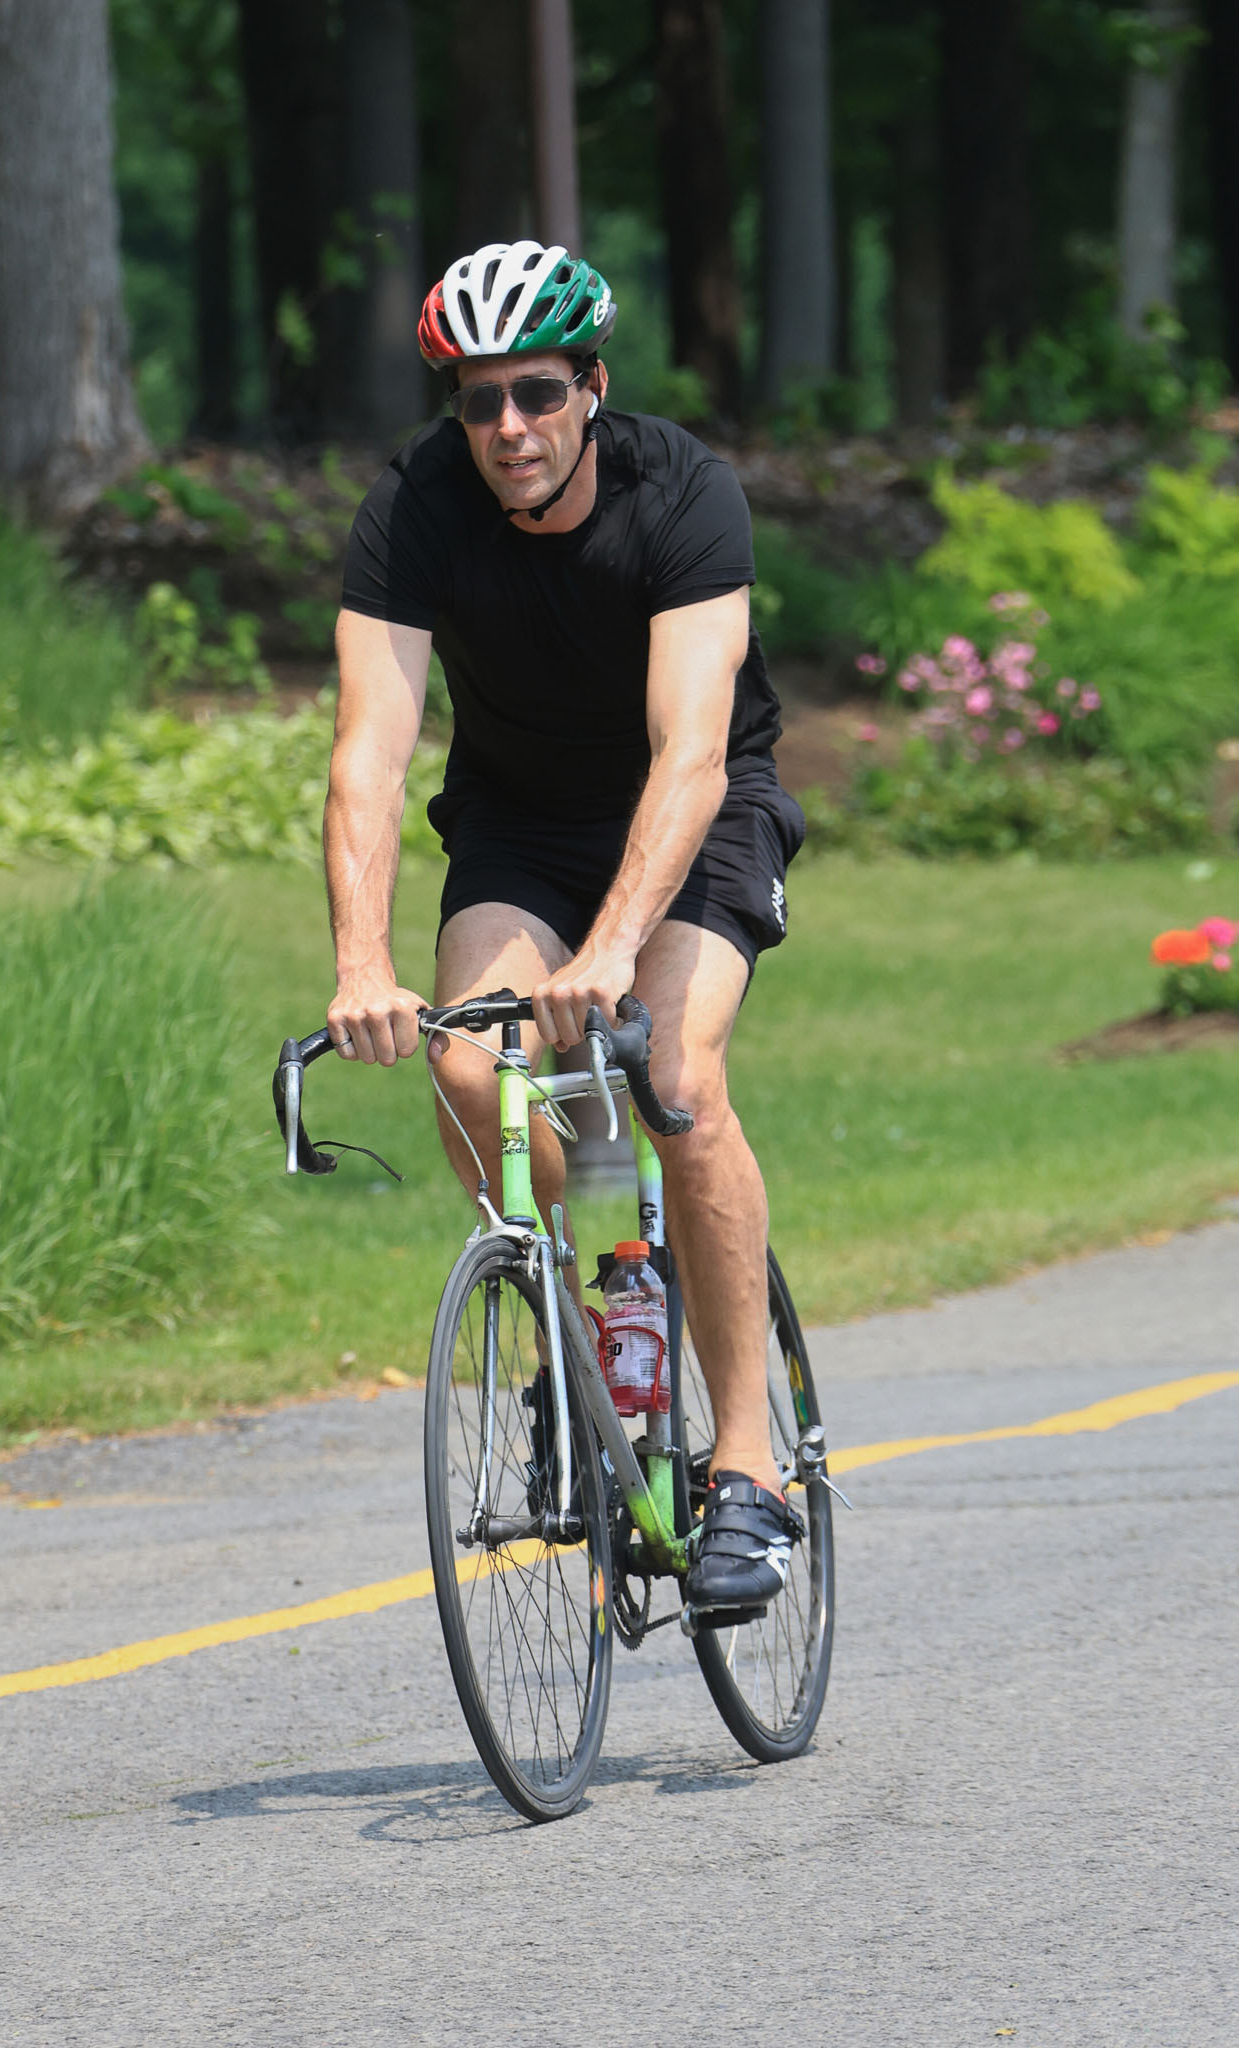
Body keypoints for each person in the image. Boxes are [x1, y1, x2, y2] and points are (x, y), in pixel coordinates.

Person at [324, 240, 806, 1617]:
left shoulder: (683, 492)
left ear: (592, 386)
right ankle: (577, 1339)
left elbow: (691, 752)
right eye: (480, 401)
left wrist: (610, 951)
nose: (510, 428)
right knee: (469, 1067)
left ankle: (748, 1469)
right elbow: (369, 754)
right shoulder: (415, 506)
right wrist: (361, 963)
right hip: (521, 824)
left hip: (698, 812)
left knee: (675, 1081)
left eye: (537, 392)